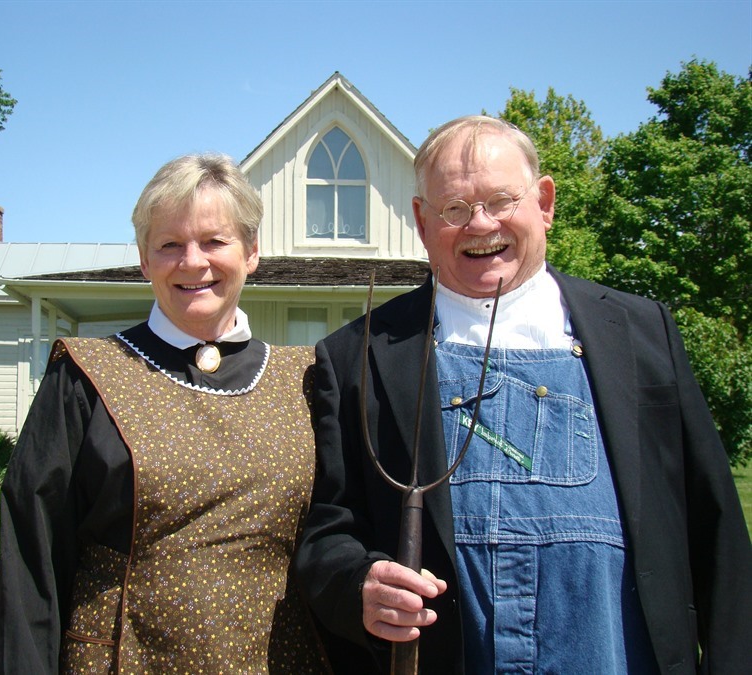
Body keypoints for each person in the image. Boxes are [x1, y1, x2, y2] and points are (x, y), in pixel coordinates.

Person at [295, 116, 752, 673]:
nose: (480, 225)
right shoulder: (358, 357)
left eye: (500, 200)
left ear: (545, 202)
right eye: (454, 209)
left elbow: (717, 532)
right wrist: (358, 585)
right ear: (420, 220)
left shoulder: (640, 334)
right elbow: (327, 531)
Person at [0, 153, 329, 673]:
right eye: (170, 244)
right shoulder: (83, 377)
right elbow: (31, 563)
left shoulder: (306, 380)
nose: (193, 262)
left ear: (252, 252)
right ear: (145, 260)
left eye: (215, 241)